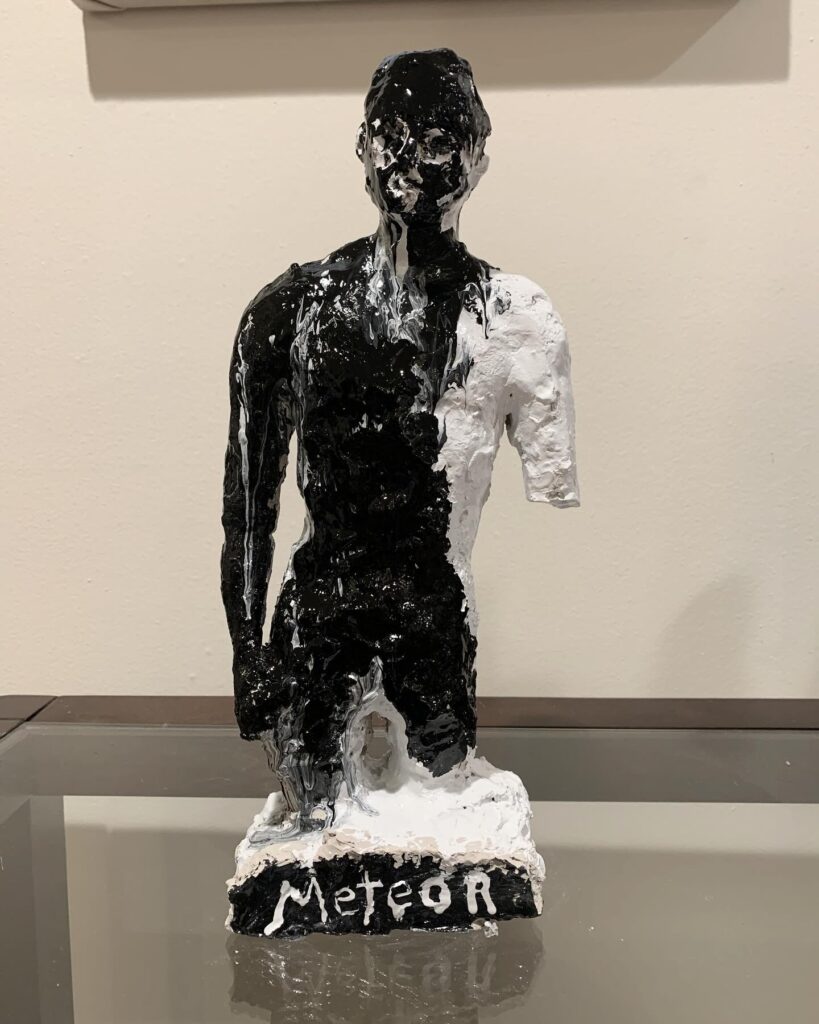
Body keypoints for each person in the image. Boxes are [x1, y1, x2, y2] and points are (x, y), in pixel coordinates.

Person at [221, 49, 578, 837]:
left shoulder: (515, 316)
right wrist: (248, 653)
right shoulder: (291, 310)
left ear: (478, 158)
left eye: (442, 140)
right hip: (321, 613)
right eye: (391, 135)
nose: (413, 161)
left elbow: (549, 474)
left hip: (434, 616)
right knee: (315, 815)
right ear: (362, 146)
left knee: (441, 807)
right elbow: (248, 503)